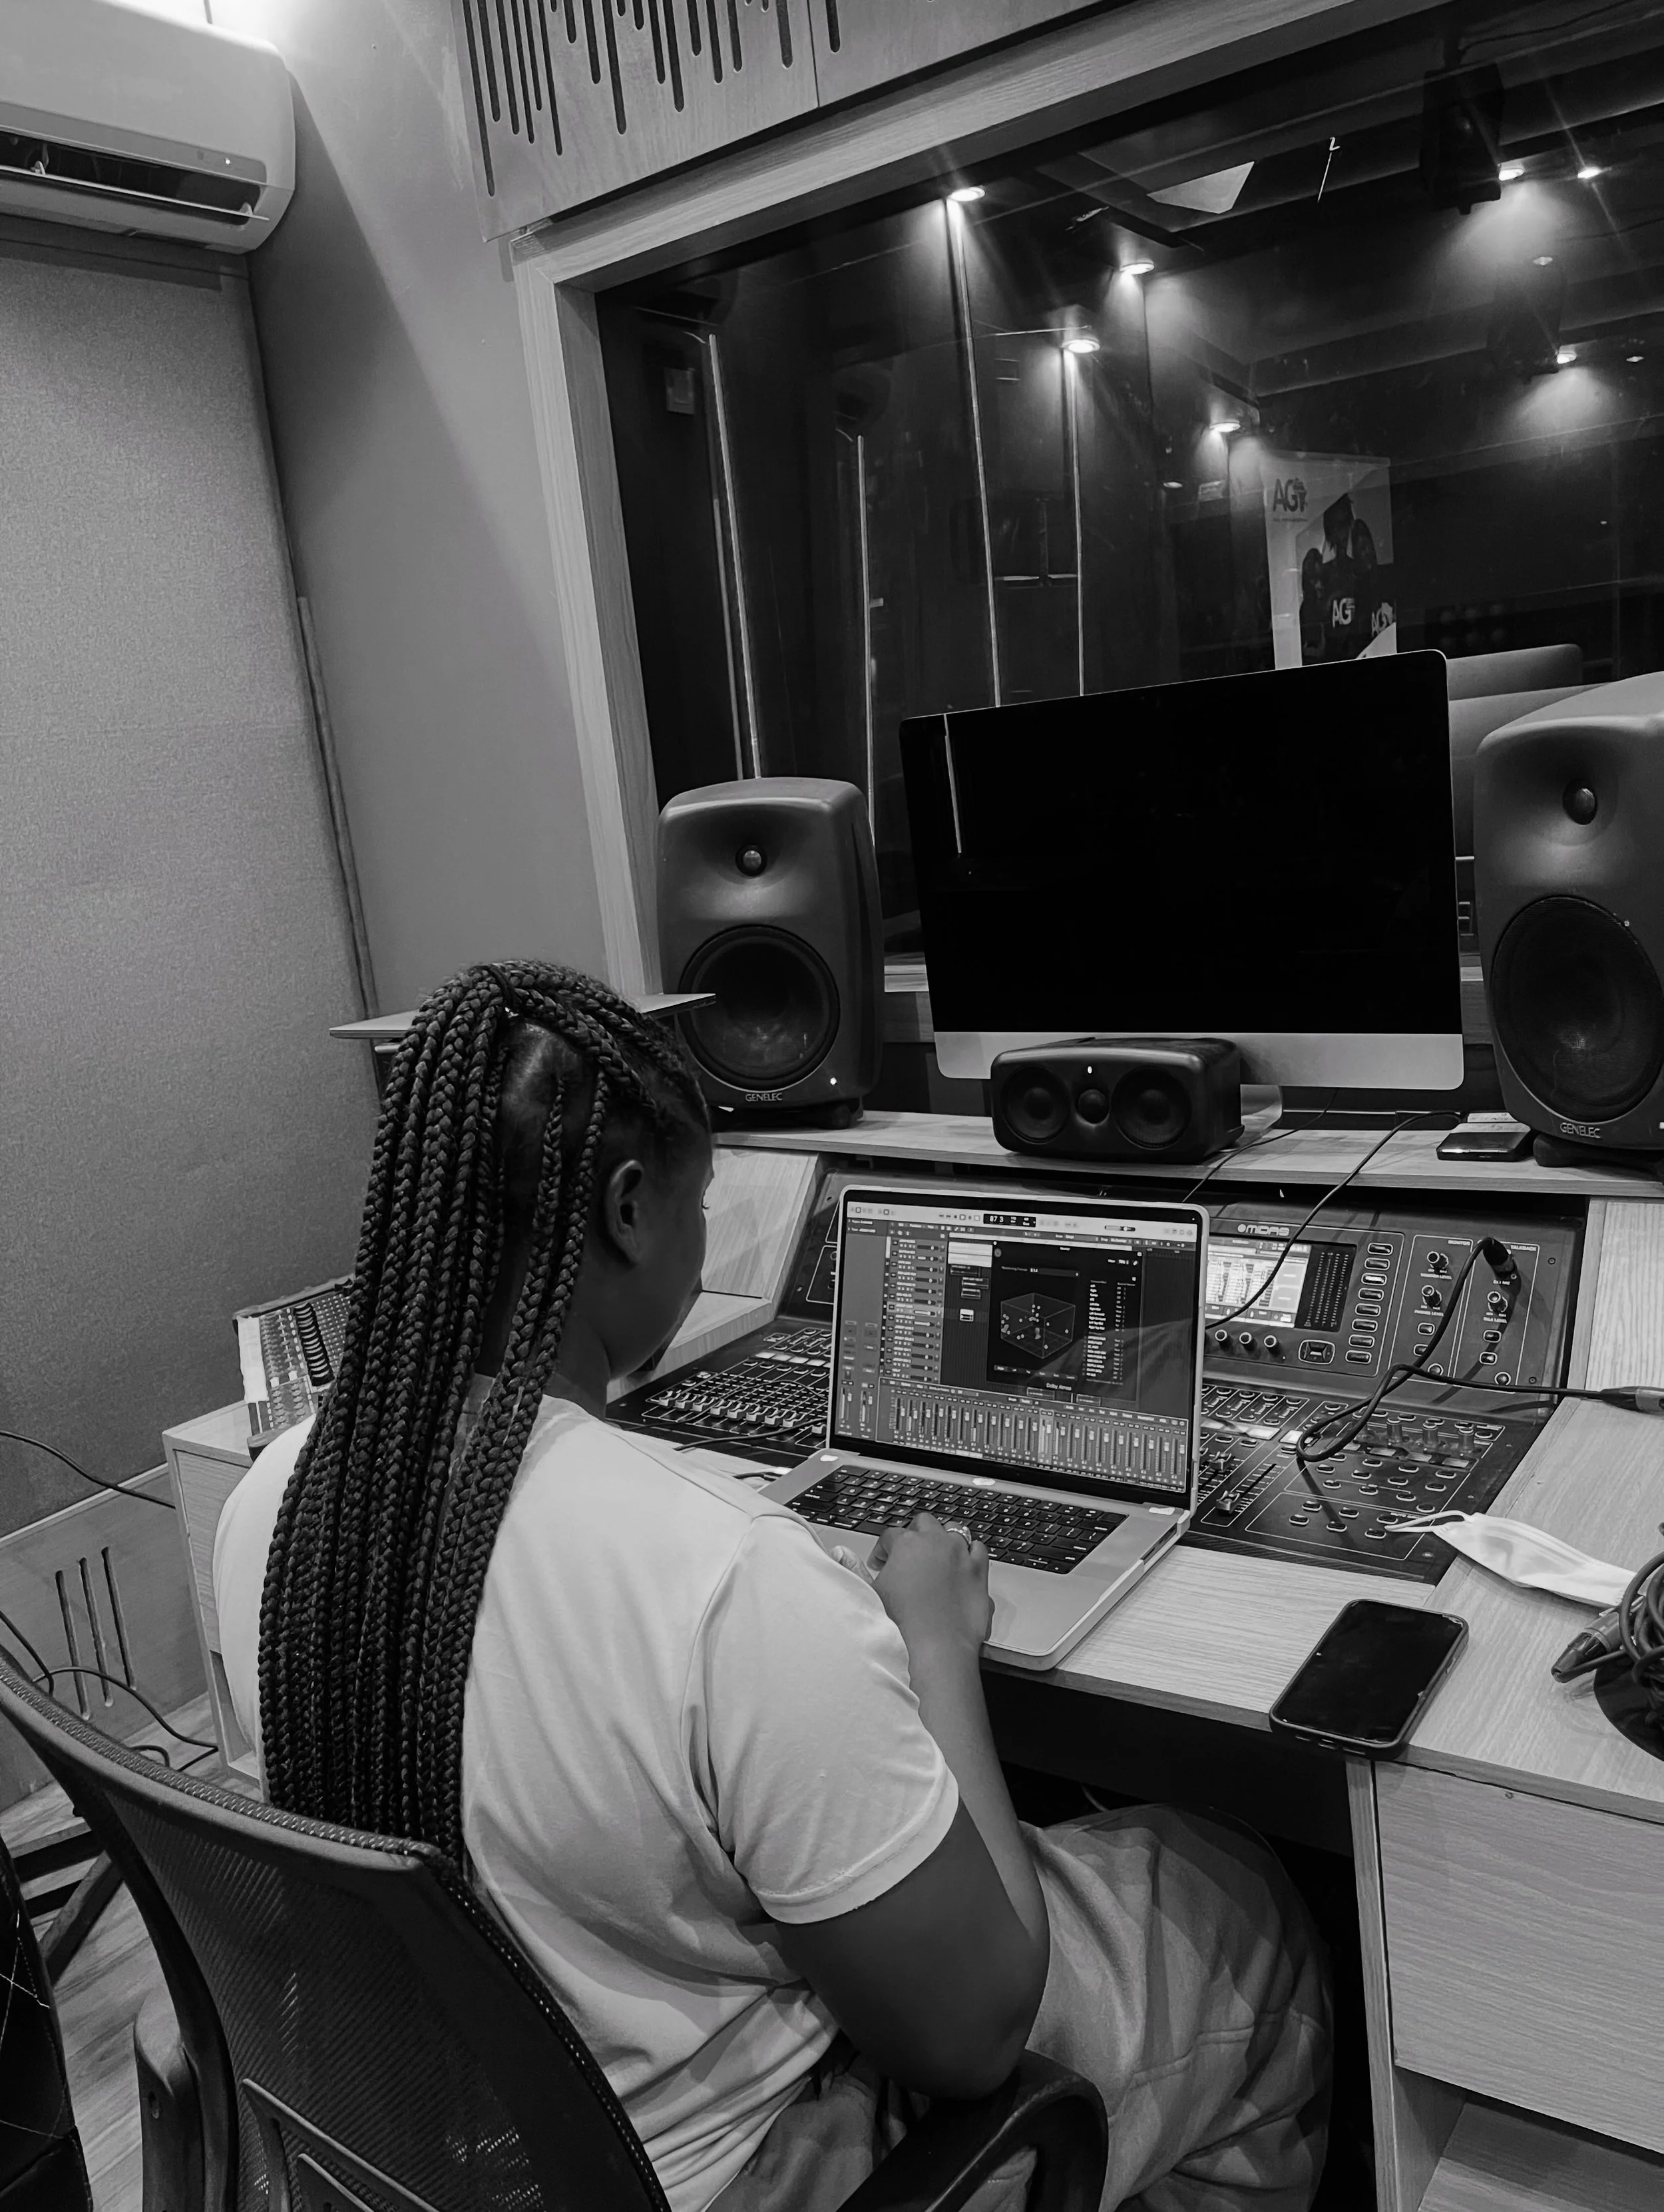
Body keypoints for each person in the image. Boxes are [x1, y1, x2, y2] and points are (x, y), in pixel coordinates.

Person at [214, 961, 1330, 2212]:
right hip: (737, 2168)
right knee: (1248, 1899)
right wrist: (935, 1644)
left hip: (449, 2159)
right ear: (631, 1209)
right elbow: (973, 2033)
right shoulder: (726, 1579)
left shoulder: (277, 1499)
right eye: (704, 1203)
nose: (705, 1241)